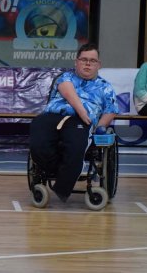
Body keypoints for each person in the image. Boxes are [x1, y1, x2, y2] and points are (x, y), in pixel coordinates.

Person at [29, 42, 119, 202]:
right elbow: (67, 90)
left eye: (92, 61)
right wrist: (82, 110)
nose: (88, 64)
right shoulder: (66, 77)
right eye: (84, 59)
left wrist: (100, 126)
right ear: (76, 62)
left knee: (76, 144)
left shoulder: (105, 87)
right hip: (54, 116)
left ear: (99, 65)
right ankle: (59, 169)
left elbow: (111, 110)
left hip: (80, 122)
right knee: (37, 135)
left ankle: (62, 187)